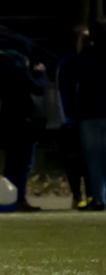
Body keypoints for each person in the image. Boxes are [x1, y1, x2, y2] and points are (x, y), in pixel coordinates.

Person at [0, 34, 48, 212]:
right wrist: (40, 73)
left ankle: (6, 199)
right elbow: (37, 88)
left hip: (7, 117)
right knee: (23, 162)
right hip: (24, 118)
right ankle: (19, 198)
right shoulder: (19, 67)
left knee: (11, 160)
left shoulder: (0, 64)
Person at [72, 20, 106, 211]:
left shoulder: (86, 55)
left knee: (94, 159)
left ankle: (99, 198)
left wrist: (81, 43)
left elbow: (75, 73)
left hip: (89, 112)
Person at [57, 25, 92, 209]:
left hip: (78, 117)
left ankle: (83, 195)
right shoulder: (73, 61)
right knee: (81, 158)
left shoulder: (72, 60)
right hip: (78, 117)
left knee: (81, 159)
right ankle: (84, 195)